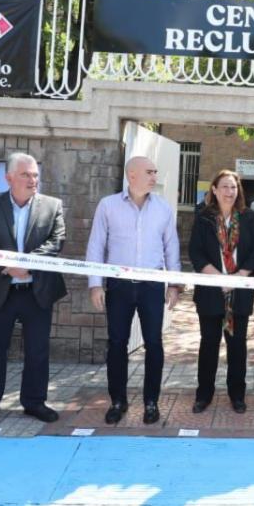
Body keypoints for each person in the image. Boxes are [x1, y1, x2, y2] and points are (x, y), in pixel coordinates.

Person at [0, 153, 67, 428]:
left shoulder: (52, 206)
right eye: (25, 175)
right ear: (9, 178)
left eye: (35, 175)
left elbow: (56, 241)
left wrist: (27, 265)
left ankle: (34, 402)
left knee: (37, 350)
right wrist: (8, 266)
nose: (32, 180)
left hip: (36, 292)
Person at [86, 156, 181, 425]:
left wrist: (174, 284)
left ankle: (151, 402)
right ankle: (118, 401)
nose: (154, 177)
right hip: (119, 286)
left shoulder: (163, 208)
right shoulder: (108, 206)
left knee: (154, 343)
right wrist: (95, 283)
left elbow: (171, 247)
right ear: (132, 175)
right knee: (117, 343)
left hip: (152, 286)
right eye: (149, 172)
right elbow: (96, 245)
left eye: (155, 172)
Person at [189, 170, 254, 414]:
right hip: (211, 291)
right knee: (209, 344)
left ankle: (237, 395)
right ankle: (204, 394)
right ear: (214, 189)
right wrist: (219, 278)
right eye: (225, 187)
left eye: (233, 187)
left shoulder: (248, 217)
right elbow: (196, 252)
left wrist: (239, 277)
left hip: (239, 291)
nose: (230, 192)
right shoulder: (204, 217)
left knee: (237, 346)